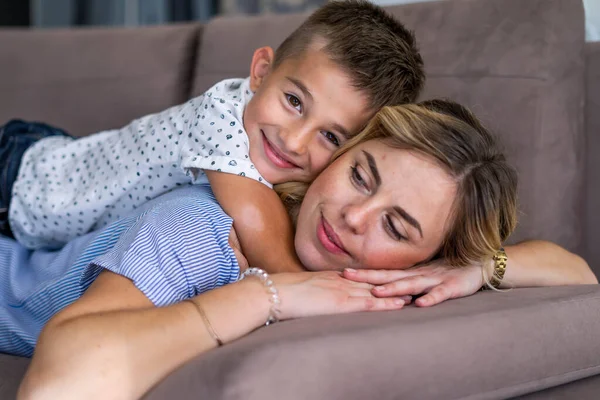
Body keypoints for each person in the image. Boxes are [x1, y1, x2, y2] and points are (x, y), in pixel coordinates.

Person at [13, 100, 596, 399]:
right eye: (361, 177)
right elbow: (63, 382)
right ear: (341, 155)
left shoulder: (419, 267)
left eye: (396, 228)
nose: (351, 216)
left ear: (423, 260)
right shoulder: (202, 228)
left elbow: (580, 278)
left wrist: (475, 268)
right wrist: (262, 295)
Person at [0, 0, 425, 281]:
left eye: (330, 136)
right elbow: (255, 221)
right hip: (22, 178)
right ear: (260, 72)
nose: (295, 141)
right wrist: (317, 290)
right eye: (294, 101)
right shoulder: (219, 117)